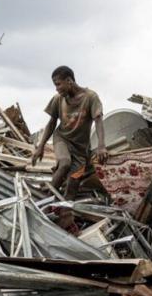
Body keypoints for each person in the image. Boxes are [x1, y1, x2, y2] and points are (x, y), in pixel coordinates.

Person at [32, 65, 108, 205]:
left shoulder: (90, 97)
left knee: (73, 184)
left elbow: (98, 120)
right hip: (62, 139)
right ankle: (43, 201)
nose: (57, 88)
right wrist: (40, 146)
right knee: (65, 163)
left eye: (58, 84)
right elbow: (51, 123)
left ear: (69, 81)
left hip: (81, 150)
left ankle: (63, 211)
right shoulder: (58, 99)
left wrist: (101, 145)